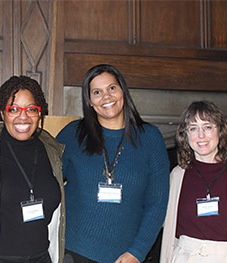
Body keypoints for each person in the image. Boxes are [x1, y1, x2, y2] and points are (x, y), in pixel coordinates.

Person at [56, 64, 170, 263]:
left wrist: (138, 252)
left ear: (122, 91)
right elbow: (47, 181)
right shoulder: (73, 134)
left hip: (125, 256)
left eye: (112, 88)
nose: (106, 97)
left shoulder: (150, 138)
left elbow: (157, 203)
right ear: (90, 101)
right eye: (97, 92)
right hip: (74, 250)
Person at [0, 76, 65, 263]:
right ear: (2, 114)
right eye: (13, 109)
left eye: (31, 109)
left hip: (42, 257)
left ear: (40, 114)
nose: (23, 116)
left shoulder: (52, 150)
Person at [160, 101, 227, 263]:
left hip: (226, 257)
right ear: (185, 135)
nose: (201, 135)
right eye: (193, 128)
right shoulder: (177, 175)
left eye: (208, 127)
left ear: (220, 131)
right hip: (185, 256)